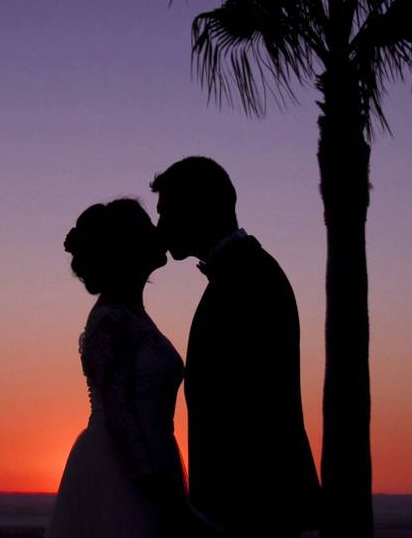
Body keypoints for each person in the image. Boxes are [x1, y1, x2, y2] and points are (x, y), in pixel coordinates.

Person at [151, 156, 322, 537]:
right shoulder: (243, 272)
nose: (160, 227)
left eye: (166, 213)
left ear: (198, 208)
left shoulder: (250, 278)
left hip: (258, 508)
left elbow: (253, 403)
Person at [46, 198, 190, 538]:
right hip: (124, 473)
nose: (158, 232)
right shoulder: (111, 320)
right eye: (146, 228)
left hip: (152, 457)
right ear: (129, 248)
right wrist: (155, 489)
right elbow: (118, 416)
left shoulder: (130, 313)